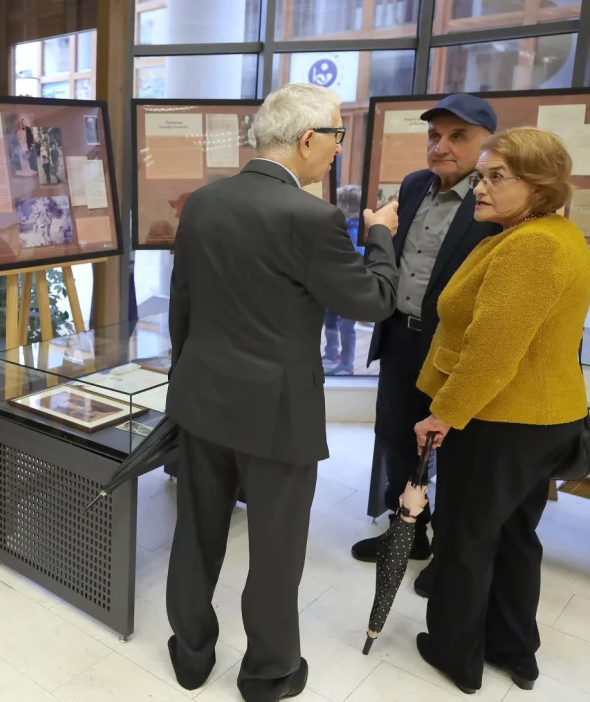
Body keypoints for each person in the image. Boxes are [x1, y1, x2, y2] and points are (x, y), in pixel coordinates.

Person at [165, 83, 400, 702]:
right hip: (277, 414)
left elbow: (182, 305)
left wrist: (184, 377)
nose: (337, 151)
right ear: (306, 140)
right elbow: (374, 300)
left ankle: (190, 656)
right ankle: (268, 673)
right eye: (336, 137)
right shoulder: (314, 219)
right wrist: (378, 235)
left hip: (201, 396)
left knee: (196, 531)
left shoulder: (203, 203)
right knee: (275, 549)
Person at [410, 127, 590, 694]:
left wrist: (445, 413)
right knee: (514, 535)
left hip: (503, 421)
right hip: (537, 419)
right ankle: (516, 650)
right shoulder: (552, 234)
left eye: (495, 177)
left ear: (538, 186)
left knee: (465, 539)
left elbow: (494, 349)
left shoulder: (531, 247)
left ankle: (453, 654)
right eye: (480, 175)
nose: (479, 188)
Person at [351, 94, 502, 567]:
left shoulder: (493, 201)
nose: (441, 146)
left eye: (458, 136)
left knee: (454, 449)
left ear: (486, 144)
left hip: (455, 349)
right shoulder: (415, 185)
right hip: (401, 335)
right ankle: (407, 532)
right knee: (397, 437)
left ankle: (451, 560)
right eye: (435, 135)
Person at [323, 185, 365, 376]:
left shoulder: (357, 232)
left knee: (346, 325)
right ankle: (332, 353)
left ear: (346, 206)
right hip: (334, 284)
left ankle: (347, 363)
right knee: (330, 319)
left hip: (350, 287)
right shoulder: (342, 228)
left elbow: (355, 259)